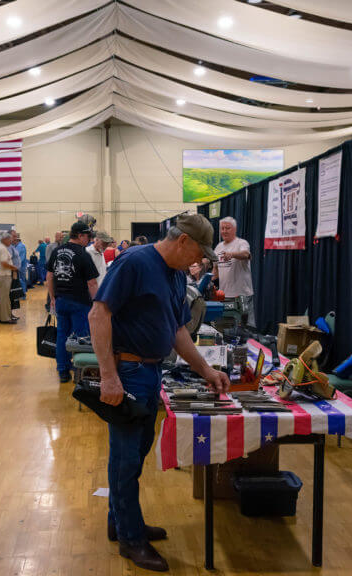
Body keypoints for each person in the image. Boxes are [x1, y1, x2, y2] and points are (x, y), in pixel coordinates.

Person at [89, 213, 230, 572]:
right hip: (129, 372)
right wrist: (108, 376)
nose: (199, 261)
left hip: (151, 372)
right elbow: (98, 314)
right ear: (183, 241)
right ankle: (131, 540)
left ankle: (119, 522)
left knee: (134, 454)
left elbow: (177, 330)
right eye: (199, 252)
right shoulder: (135, 262)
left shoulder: (176, 274)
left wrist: (206, 369)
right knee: (125, 458)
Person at [46, 221, 99, 383]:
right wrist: (97, 303)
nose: (89, 240)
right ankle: (79, 371)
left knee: (62, 335)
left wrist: (53, 297)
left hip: (61, 300)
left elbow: (49, 276)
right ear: (80, 235)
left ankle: (63, 370)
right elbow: (92, 283)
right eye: (88, 236)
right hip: (79, 302)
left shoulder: (56, 251)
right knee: (81, 337)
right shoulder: (83, 255)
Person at [212, 216, 254, 326]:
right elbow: (215, 268)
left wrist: (232, 254)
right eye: (222, 228)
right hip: (224, 296)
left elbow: (247, 255)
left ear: (234, 229)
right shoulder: (218, 247)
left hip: (241, 295)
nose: (224, 231)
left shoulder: (241, 243)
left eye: (227, 228)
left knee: (244, 329)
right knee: (226, 328)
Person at [0, 231, 19, 324]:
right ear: (5, 239)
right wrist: (14, 267)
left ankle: (0, 316)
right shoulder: (3, 249)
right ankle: (6, 318)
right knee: (5, 298)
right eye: (10, 239)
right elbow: (4, 263)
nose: (11, 241)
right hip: (4, 275)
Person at [11, 230, 28, 296]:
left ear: (16, 240)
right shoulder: (17, 246)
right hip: (19, 266)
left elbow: (19, 258)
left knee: (21, 280)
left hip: (20, 267)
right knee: (21, 280)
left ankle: (23, 294)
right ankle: (22, 293)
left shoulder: (20, 246)